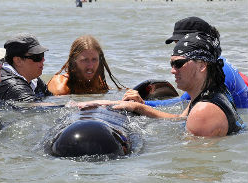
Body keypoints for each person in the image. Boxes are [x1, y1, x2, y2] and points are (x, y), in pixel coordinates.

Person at [78, 33, 245, 137]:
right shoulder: (210, 92)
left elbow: (198, 168)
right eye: (171, 64)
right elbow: (180, 119)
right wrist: (136, 107)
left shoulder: (204, 111)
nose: (173, 71)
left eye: (179, 64)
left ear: (202, 65)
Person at [139, 16, 248, 108]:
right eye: (177, 43)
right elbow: (185, 100)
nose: (178, 48)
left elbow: (182, 104)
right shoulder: (215, 63)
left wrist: (142, 104)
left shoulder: (216, 73)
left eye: (182, 43)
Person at [47, 35, 124, 95]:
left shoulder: (98, 82)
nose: (90, 66)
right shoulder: (61, 87)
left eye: (94, 60)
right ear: (74, 61)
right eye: (85, 60)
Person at [0, 33, 52, 104]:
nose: (43, 60)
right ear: (18, 61)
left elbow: (50, 98)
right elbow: (36, 109)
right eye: (37, 57)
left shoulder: (33, 78)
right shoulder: (13, 85)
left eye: (42, 55)